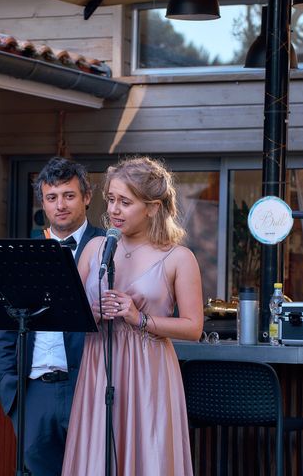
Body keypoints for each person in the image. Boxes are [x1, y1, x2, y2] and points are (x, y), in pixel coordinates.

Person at [61, 156, 204, 475]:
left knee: (146, 456)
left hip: (148, 370)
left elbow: (193, 328)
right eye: (110, 199)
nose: (113, 210)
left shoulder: (178, 257)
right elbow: (64, 314)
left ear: (152, 207)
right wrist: (90, 314)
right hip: (100, 367)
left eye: (125, 202)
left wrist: (140, 318)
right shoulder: (95, 248)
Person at [0, 156, 104, 475]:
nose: (60, 205)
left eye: (69, 195)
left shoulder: (109, 248)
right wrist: (10, 389)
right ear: (42, 202)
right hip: (34, 392)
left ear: (86, 197)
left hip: (89, 387)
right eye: (51, 197)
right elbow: (6, 331)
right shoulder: (23, 256)